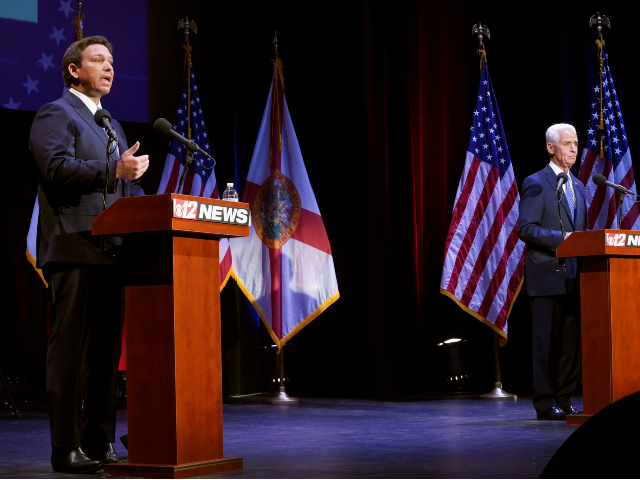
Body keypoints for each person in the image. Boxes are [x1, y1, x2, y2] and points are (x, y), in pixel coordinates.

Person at [30, 36, 149, 473]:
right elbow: (56, 168)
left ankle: (98, 442)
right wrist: (114, 170)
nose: (109, 67)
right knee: (70, 354)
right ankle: (65, 448)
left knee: (103, 356)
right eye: (98, 60)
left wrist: (145, 196)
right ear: (74, 70)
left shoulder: (111, 125)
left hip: (111, 249)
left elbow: (118, 188)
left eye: (113, 61)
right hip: (74, 245)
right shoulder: (55, 113)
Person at [518, 123, 586, 421]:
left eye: (576, 143)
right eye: (567, 143)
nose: (574, 148)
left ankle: (565, 397)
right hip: (546, 275)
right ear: (551, 148)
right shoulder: (536, 182)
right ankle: (545, 403)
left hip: (574, 277)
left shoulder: (580, 185)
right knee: (547, 344)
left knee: (570, 345)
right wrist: (564, 241)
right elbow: (527, 229)